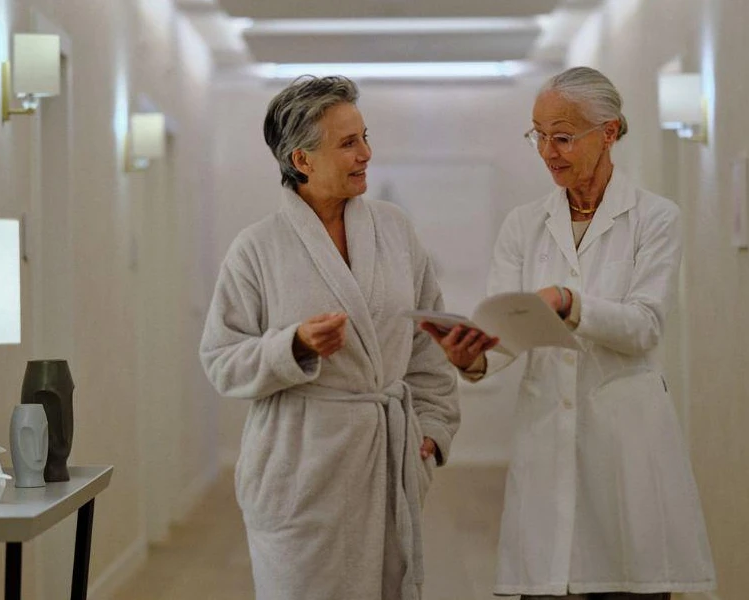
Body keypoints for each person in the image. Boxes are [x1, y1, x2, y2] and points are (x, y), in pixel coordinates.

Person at [421, 67, 716, 599]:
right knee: (545, 585)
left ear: (608, 132)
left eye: (562, 136)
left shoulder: (655, 218)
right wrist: (471, 356)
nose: (548, 151)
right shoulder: (523, 225)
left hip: (627, 442)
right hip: (545, 439)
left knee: (629, 582)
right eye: (538, 135)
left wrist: (572, 304)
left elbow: (645, 326)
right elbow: (508, 331)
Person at [199, 75, 460, 600]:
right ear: (302, 160)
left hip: (384, 456)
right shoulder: (257, 249)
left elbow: (428, 341)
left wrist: (430, 433)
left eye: (365, 137)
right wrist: (291, 345)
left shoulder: (395, 230)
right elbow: (221, 359)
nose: (366, 153)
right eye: (348, 143)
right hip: (300, 467)